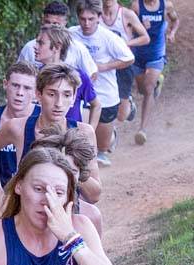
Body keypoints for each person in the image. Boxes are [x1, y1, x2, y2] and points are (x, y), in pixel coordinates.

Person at [0, 64, 102, 209]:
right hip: (23, 212)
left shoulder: (84, 133)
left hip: (66, 212)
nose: (58, 103)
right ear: (38, 94)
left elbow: (95, 195)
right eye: (52, 94)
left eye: (66, 95)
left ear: (74, 97)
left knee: (94, 216)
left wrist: (74, 170)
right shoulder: (18, 128)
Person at [68, 0, 135, 165]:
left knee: (102, 150)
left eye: (91, 19)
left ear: (99, 17)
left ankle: (111, 135)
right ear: (77, 17)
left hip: (105, 94)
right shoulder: (70, 34)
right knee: (82, 142)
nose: (86, 23)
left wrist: (104, 66)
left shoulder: (108, 37)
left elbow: (129, 58)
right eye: (82, 19)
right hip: (80, 96)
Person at [131, 0, 180, 145]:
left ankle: (142, 129)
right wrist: (138, 28)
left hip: (156, 52)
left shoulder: (166, 5)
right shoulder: (136, 7)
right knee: (142, 89)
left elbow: (175, 20)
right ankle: (157, 83)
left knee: (148, 89)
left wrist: (172, 33)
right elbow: (126, 26)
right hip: (138, 53)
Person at [35, 24, 100, 126]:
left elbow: (96, 105)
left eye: (41, 43)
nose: (35, 47)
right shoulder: (34, 75)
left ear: (57, 47)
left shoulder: (77, 76)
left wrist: (89, 134)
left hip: (71, 137)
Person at [99, 0, 149, 127]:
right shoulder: (95, 15)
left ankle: (129, 104)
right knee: (101, 103)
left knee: (122, 116)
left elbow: (145, 38)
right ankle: (109, 131)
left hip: (123, 65)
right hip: (103, 67)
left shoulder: (127, 14)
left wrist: (124, 44)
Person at [19, 1, 99, 80]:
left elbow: (92, 73)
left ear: (65, 23)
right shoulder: (30, 48)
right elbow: (19, 75)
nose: (50, 27)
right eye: (47, 22)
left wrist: (75, 90)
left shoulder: (77, 48)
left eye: (56, 24)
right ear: (43, 20)